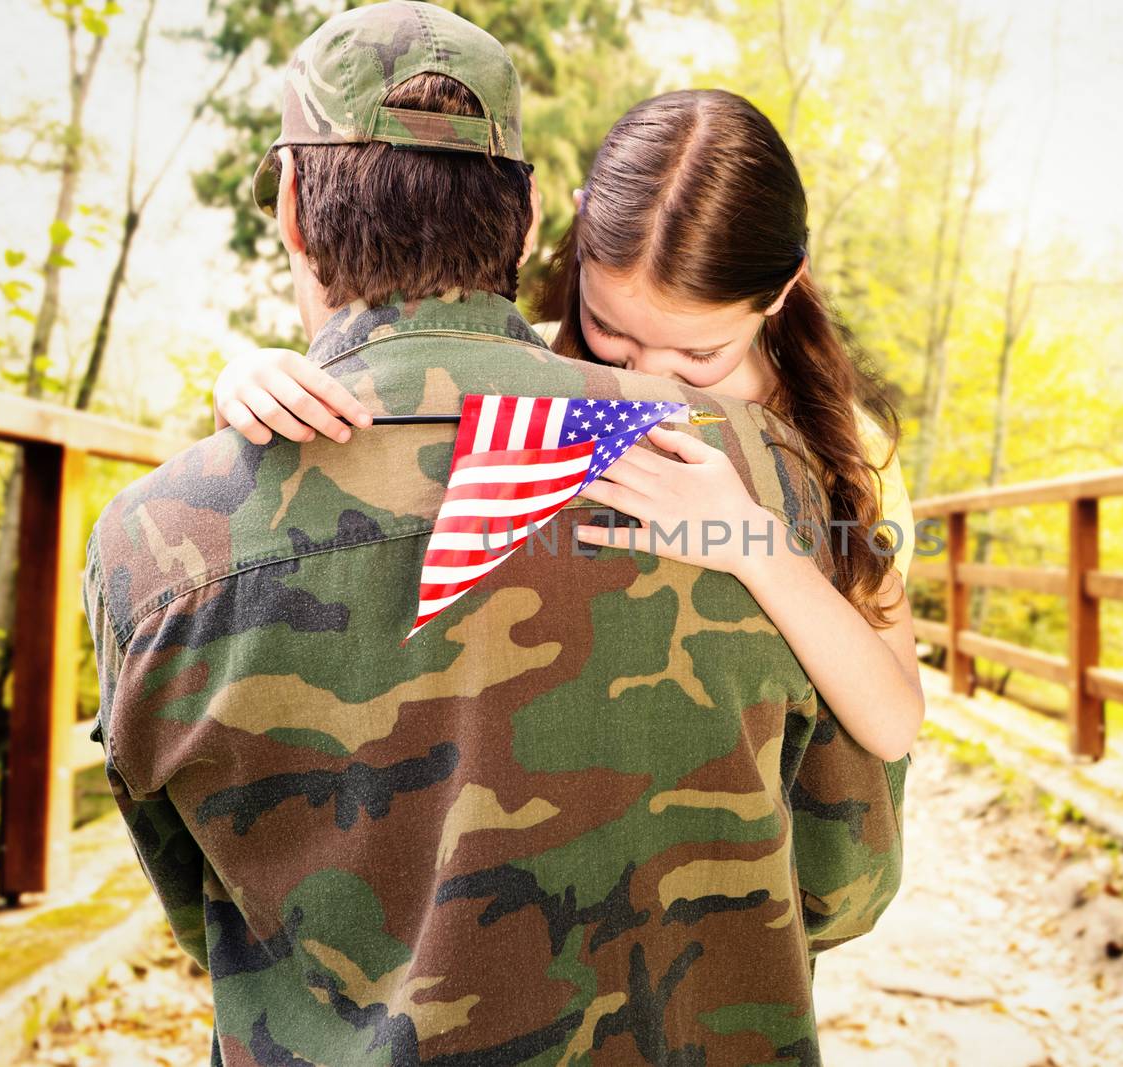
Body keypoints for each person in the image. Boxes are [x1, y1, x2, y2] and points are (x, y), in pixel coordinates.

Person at [83, 3, 904, 1065]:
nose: (654, 370)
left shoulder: (153, 538)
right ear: (527, 225)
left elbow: (207, 908)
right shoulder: (759, 471)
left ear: (290, 206)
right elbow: (848, 882)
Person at [214, 89, 926, 762]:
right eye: (611, 329)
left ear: (782, 288)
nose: (652, 371)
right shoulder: (521, 366)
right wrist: (258, 380)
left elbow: (893, 725)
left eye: (699, 352)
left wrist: (751, 541)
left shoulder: (844, 446)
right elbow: (385, 446)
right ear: (580, 231)